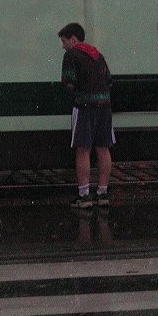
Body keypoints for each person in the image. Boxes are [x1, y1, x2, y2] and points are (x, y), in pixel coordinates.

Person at [59, 22, 114, 209]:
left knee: (83, 150)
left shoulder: (71, 55)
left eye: (64, 41)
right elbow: (109, 80)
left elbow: (69, 81)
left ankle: (84, 196)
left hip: (84, 107)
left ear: (73, 39)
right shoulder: (97, 54)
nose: (63, 45)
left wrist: (72, 88)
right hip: (104, 106)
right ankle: (103, 193)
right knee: (103, 149)